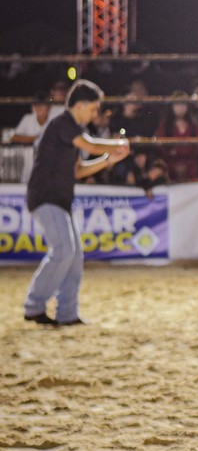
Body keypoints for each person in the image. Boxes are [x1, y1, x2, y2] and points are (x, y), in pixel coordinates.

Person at [22, 80, 130, 326]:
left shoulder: (71, 130)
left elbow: (78, 170)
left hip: (58, 199)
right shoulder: (63, 124)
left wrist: (109, 159)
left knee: (73, 255)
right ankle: (34, 306)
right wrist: (117, 145)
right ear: (79, 105)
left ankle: (67, 313)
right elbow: (90, 145)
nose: (95, 114)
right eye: (93, 108)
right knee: (64, 251)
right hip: (46, 197)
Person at [157, 91, 198, 182]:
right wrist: (174, 166)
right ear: (172, 106)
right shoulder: (164, 127)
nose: (181, 107)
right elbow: (162, 149)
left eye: (183, 104)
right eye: (177, 104)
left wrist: (187, 165)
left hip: (191, 170)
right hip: (170, 169)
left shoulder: (194, 127)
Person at [10, 92, 53, 184]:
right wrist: (35, 139)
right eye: (36, 105)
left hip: (49, 168)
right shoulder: (28, 118)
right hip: (29, 168)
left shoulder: (55, 120)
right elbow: (14, 138)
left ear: (49, 107)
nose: (39, 107)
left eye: (42, 104)